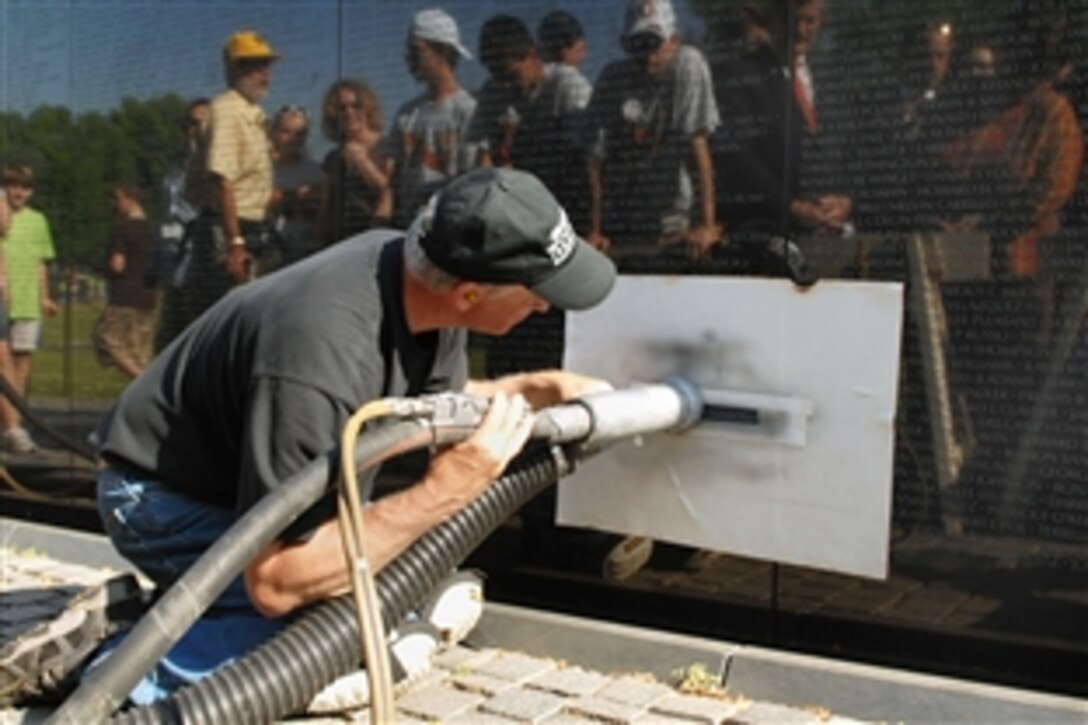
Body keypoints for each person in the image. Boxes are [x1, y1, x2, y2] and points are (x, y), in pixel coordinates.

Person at [92, 167, 616, 703]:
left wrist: (536, 388)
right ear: (467, 295)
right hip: (162, 499)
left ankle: (182, 619)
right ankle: (111, 663)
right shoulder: (319, 353)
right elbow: (276, 579)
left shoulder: (420, 275)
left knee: (373, 603)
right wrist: (444, 490)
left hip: (250, 493)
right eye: (538, 290)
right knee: (323, 638)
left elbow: (425, 409)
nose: (546, 305)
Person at [583, 0, 722, 263]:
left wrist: (707, 225)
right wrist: (595, 230)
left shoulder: (687, 65)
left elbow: (699, 146)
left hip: (676, 226)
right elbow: (593, 159)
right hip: (623, 225)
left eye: (654, 45)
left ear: (675, 41)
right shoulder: (612, 79)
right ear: (625, 45)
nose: (648, 56)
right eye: (638, 46)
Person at [185, 30, 280, 312]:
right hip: (227, 228)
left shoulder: (254, 114)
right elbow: (222, 180)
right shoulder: (226, 111)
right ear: (234, 68)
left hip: (252, 226)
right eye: (253, 65)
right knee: (228, 314)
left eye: (267, 65)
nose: (264, 74)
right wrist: (235, 243)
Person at [389, 8, 478, 228]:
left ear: (442, 52)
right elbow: (393, 179)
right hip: (408, 226)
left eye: (417, 50)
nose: (410, 58)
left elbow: (473, 178)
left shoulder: (468, 111)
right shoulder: (407, 114)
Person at [1, 164, 58, 453]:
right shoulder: (3, 217)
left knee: (22, 366)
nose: (18, 192)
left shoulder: (38, 221)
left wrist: (45, 296)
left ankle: (17, 422)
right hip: (5, 298)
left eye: (24, 187)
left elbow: (41, 261)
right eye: (13, 185)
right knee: (4, 363)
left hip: (27, 301)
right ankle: (12, 424)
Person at [153, 98, 209, 353]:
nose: (194, 131)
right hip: (174, 271)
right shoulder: (173, 169)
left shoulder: (218, 168)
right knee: (167, 348)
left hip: (202, 271)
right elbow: (166, 216)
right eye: (190, 124)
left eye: (202, 124)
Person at [316, 79, 393, 245]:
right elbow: (327, 207)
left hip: (378, 237)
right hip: (342, 241)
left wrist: (362, 162)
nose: (349, 112)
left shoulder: (388, 145)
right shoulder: (333, 158)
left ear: (368, 108)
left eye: (356, 106)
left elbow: (391, 192)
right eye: (341, 108)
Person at [93, 185, 158, 380]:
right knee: (140, 352)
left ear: (130, 199)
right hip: (148, 296)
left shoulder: (122, 229)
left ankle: (145, 383)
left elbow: (117, 265)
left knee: (107, 340)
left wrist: (100, 266)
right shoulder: (154, 230)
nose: (114, 204)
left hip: (124, 296)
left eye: (117, 198)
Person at [270, 104, 324, 264]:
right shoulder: (264, 171)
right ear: (274, 133)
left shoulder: (316, 171)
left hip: (308, 246)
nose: (293, 139)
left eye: (299, 133)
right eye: (286, 132)